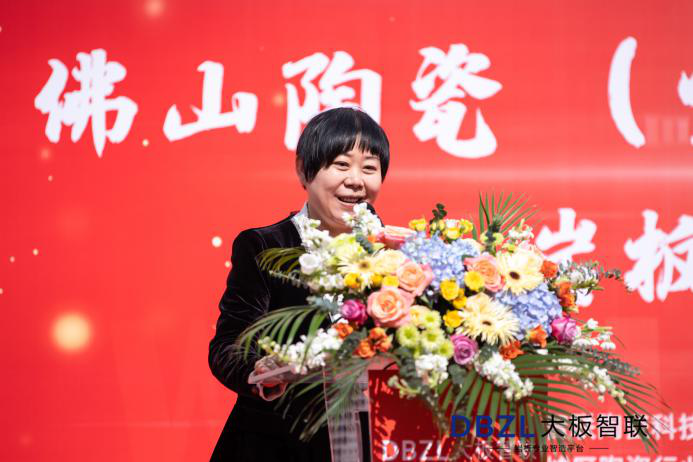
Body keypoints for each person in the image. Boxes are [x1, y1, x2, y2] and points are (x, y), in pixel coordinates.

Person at [208, 107, 390, 461]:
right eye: (341, 164)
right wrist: (259, 369)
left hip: (372, 442)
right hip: (278, 445)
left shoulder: (398, 255)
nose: (356, 180)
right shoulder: (264, 247)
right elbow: (228, 346)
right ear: (304, 170)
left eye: (369, 168)